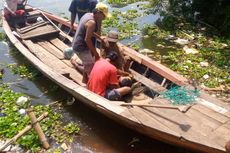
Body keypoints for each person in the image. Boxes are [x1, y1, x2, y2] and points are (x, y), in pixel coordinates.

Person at [71, 2, 110, 83]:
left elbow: (90, 32)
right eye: (104, 15)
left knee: (88, 63)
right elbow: (87, 39)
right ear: (98, 12)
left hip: (76, 43)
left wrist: (99, 38)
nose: (104, 18)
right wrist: (95, 53)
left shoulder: (87, 15)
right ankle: (90, 85)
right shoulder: (92, 22)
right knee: (91, 69)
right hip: (81, 47)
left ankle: (84, 80)